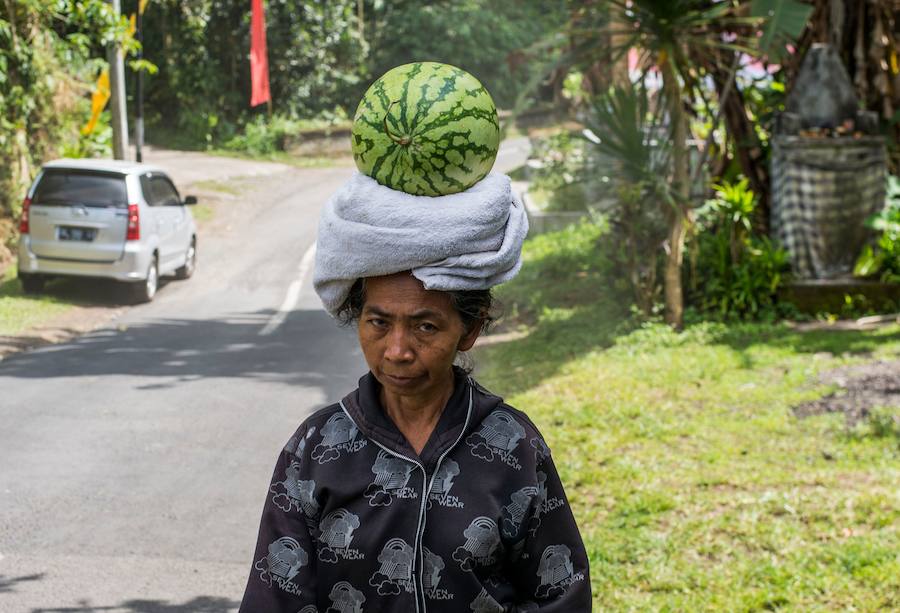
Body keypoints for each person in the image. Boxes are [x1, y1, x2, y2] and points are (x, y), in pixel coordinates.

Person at [239, 170, 591, 612]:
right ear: (357, 317)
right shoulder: (316, 449)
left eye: (425, 326)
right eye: (379, 323)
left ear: (470, 329)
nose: (398, 351)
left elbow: (561, 593)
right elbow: (274, 599)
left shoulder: (514, 446)